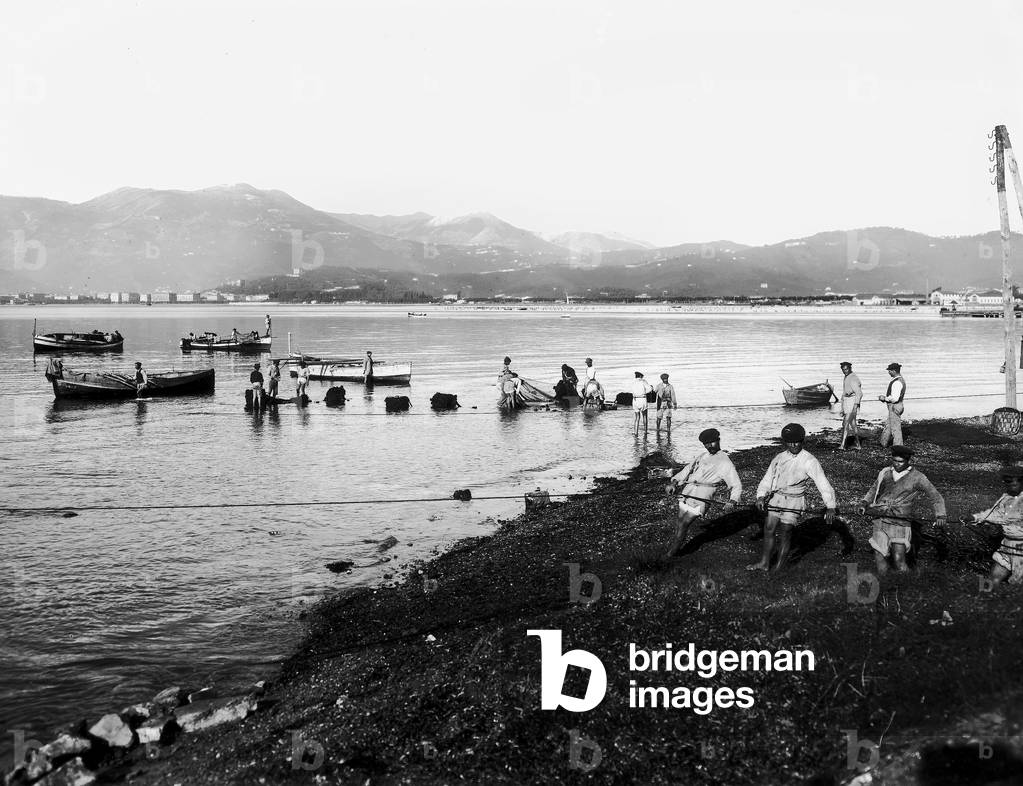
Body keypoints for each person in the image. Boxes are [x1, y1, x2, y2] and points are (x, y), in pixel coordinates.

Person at [748, 423, 837, 572]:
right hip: (776, 497)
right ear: (785, 442)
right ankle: (764, 563)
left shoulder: (809, 460)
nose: (794, 444)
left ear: (803, 441)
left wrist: (831, 506)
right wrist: (761, 496)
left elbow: (822, 483)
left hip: (794, 500)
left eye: (797, 441)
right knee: (768, 528)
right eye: (790, 442)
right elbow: (768, 478)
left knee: (786, 531)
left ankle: (779, 567)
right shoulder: (779, 457)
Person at [857, 445, 946, 573]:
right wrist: (864, 503)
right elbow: (873, 489)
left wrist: (941, 515)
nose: (897, 464)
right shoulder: (885, 473)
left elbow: (936, 496)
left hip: (900, 522)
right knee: (879, 555)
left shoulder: (918, 477)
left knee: (899, 559)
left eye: (901, 462)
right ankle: (884, 585)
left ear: (908, 461)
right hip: (880, 519)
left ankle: (905, 586)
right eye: (894, 461)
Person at [664, 428, 742, 557]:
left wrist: (733, 500)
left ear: (718, 440)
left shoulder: (725, 462)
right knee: (679, 522)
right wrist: (674, 482)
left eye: (712, 442)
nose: (709, 446)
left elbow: (736, 484)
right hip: (688, 492)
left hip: (702, 497)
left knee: (684, 524)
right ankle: (675, 546)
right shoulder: (702, 456)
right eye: (706, 443)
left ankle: (671, 554)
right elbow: (687, 470)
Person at [958, 466, 1023, 585]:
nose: (1007, 485)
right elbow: (994, 514)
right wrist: (974, 518)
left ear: (1021, 481)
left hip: (1020, 550)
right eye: (1006, 482)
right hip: (1007, 546)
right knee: (992, 581)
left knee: (1017, 586)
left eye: (1010, 481)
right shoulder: (1006, 498)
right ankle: (981, 600)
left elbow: (1002, 518)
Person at [878, 362, 906, 447]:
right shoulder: (900, 380)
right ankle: (883, 443)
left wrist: (884, 398)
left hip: (895, 406)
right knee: (889, 425)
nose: (888, 372)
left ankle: (898, 446)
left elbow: (894, 398)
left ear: (894, 371)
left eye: (889, 370)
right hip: (898, 405)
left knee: (895, 428)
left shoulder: (897, 382)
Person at [838, 361, 863, 451]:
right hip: (847, 401)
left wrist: (855, 406)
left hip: (852, 402)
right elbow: (845, 392)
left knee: (846, 423)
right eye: (843, 370)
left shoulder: (853, 378)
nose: (845, 371)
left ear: (850, 368)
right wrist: (842, 408)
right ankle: (858, 445)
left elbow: (859, 394)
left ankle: (843, 445)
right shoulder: (846, 377)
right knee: (853, 424)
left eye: (846, 369)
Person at [631, 372, 653, 436]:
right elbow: (649, 389)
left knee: (637, 417)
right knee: (645, 416)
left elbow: (631, 391)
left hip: (635, 400)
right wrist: (643, 392)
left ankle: (635, 432)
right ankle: (645, 431)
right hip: (642, 399)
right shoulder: (643, 381)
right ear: (640, 376)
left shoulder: (633, 382)